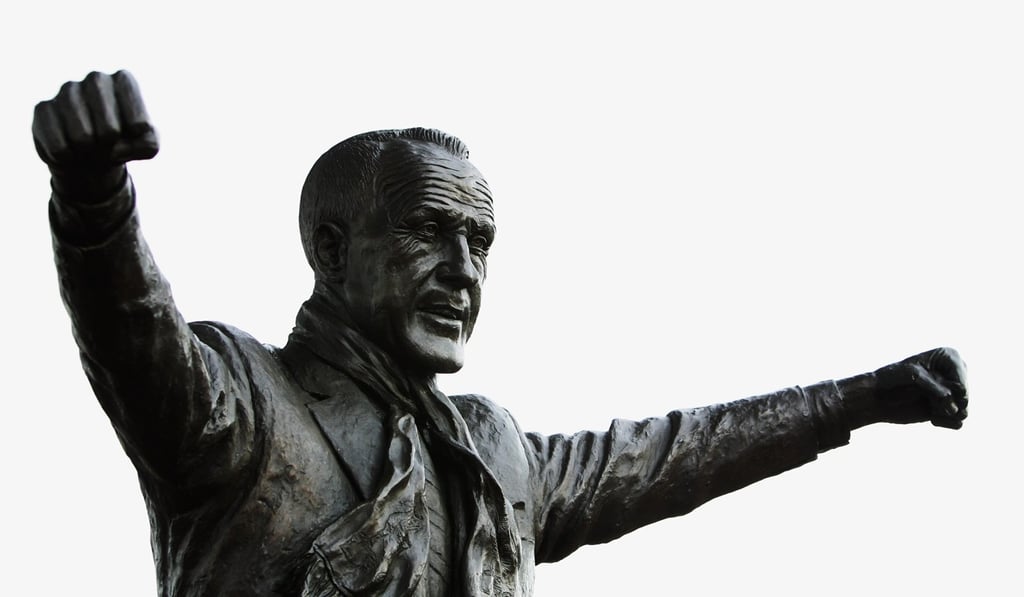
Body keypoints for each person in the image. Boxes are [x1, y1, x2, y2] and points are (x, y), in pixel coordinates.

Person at [34, 71, 968, 597]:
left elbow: (668, 454)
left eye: (481, 242)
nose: (466, 270)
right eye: (431, 231)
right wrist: (93, 202)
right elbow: (132, 334)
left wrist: (856, 399)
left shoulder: (494, 450)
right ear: (330, 246)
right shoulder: (242, 403)